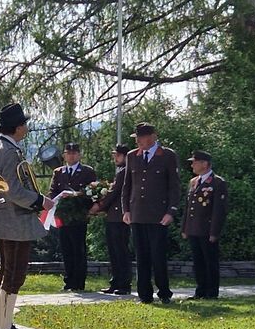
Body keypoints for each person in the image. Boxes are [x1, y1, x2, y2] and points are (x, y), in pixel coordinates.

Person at [0, 103, 52, 329]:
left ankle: (1, 325)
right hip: (16, 218)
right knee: (15, 273)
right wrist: (40, 200)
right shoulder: (10, 152)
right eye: (24, 124)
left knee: (5, 271)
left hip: (1, 215)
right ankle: (5, 328)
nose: (26, 129)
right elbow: (13, 190)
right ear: (17, 127)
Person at [121, 123, 180, 303]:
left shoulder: (167, 155)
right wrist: (126, 210)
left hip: (158, 215)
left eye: (141, 137)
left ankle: (164, 292)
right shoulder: (132, 156)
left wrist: (170, 211)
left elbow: (174, 186)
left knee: (158, 255)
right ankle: (144, 294)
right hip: (137, 213)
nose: (138, 141)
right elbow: (127, 185)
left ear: (153, 137)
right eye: (137, 138)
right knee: (141, 256)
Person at [47, 143, 96, 291]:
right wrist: (53, 201)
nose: (71, 156)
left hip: (79, 215)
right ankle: (69, 281)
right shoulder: (59, 172)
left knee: (78, 248)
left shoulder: (87, 171)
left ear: (79, 155)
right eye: (68, 153)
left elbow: (92, 191)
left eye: (74, 153)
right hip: (63, 215)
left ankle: (79, 282)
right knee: (66, 248)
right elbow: (52, 191)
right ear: (64, 155)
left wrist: (76, 195)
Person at [180, 150, 228, 299]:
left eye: (194, 162)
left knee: (210, 262)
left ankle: (211, 292)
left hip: (207, 229)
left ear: (205, 164)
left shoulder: (217, 182)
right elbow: (188, 207)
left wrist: (214, 232)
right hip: (194, 228)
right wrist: (185, 227)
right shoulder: (193, 182)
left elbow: (219, 210)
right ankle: (200, 290)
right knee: (198, 262)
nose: (192, 165)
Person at [89, 143, 133, 295]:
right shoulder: (121, 172)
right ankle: (116, 282)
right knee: (114, 251)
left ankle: (124, 284)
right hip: (114, 216)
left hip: (120, 217)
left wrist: (98, 206)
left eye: (118, 155)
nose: (115, 158)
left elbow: (113, 193)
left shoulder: (125, 172)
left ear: (126, 157)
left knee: (120, 251)